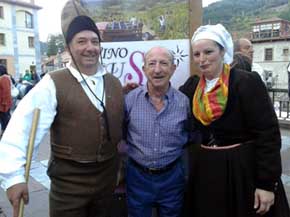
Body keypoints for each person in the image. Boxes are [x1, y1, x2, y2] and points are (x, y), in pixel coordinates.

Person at [0, 1, 124, 217]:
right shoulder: (52, 83)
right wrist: (14, 178)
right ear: (68, 48)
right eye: (81, 41)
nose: (90, 47)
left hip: (107, 183)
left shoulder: (113, 82)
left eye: (95, 41)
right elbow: (21, 128)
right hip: (69, 188)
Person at [179, 24, 290, 217]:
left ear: (223, 51)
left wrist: (266, 184)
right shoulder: (193, 87)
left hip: (241, 169)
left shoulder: (246, 82)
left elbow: (268, 134)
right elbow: (166, 101)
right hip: (206, 170)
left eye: (208, 52)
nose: (202, 59)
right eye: (197, 55)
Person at [124, 46, 190, 217]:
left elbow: (190, 136)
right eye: (152, 63)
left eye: (164, 63)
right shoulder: (129, 100)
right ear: (144, 68)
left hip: (172, 177)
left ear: (173, 68)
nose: (157, 69)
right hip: (138, 176)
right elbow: (121, 134)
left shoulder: (184, 103)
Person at [0, 65, 13, 134]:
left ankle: (5, 133)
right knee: (4, 119)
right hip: (3, 103)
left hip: (4, 104)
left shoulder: (4, 78)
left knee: (4, 119)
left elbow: (6, 91)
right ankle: (4, 132)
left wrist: (4, 103)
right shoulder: (4, 78)